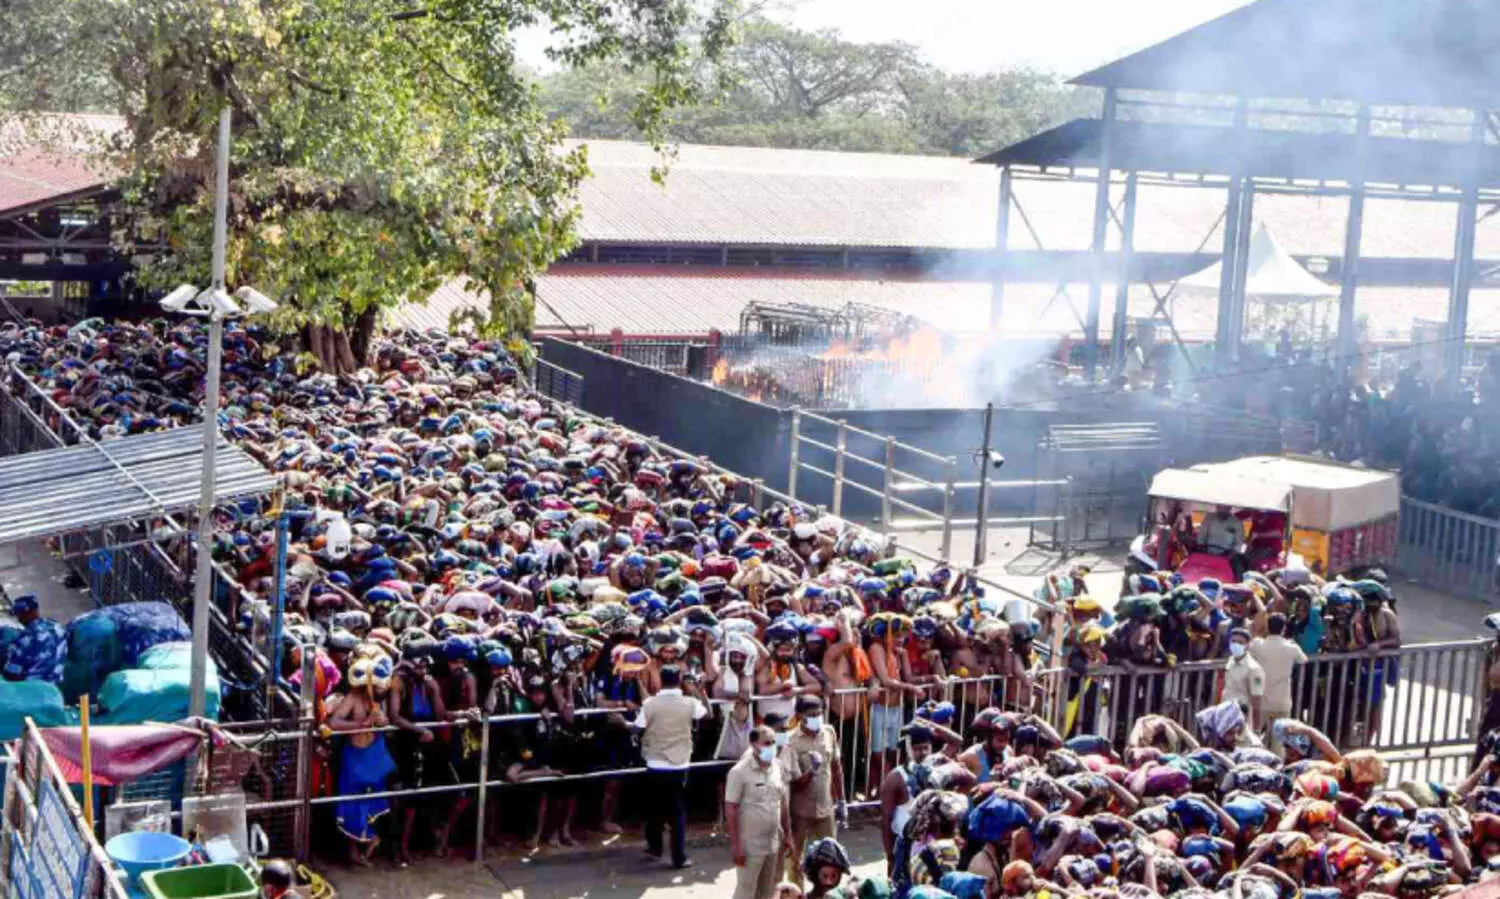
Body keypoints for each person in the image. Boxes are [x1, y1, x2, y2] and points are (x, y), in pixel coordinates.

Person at [636, 664, 706, 869]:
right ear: (679, 679)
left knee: (655, 809)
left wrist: (622, 722)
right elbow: (706, 715)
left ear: (661, 679)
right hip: (680, 763)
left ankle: (655, 848)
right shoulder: (690, 702)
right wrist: (699, 691)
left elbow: (637, 727)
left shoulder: (650, 703)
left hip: (655, 763)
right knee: (677, 812)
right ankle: (678, 857)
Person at [782, 695, 846, 886]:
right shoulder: (791, 741)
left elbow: (836, 767)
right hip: (800, 811)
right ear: (800, 715)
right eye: (812, 714)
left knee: (831, 858)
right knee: (795, 861)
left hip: (825, 808)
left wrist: (842, 801)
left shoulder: (828, 732)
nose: (817, 717)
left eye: (819, 713)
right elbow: (794, 783)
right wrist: (812, 770)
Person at [727, 725, 792, 899]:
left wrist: (788, 835)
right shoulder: (739, 772)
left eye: (773, 742)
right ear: (753, 745)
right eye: (766, 743)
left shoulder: (777, 767)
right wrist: (736, 846)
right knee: (745, 891)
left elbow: (783, 804)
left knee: (767, 891)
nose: (771, 747)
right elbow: (731, 809)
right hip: (750, 846)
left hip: (772, 843)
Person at [1250, 613, 1307, 750]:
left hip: (1261, 700)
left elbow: (1249, 648)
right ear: (1284, 628)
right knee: (1280, 742)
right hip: (1282, 701)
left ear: (1268, 627)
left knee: (1254, 738)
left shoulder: (1258, 644)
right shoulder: (1291, 647)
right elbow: (1303, 659)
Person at [3, 594, 65, 684]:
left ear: (27, 615)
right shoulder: (56, 626)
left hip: (34, 689)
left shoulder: (24, 639)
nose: (18, 619)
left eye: (19, 615)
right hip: (57, 683)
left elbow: (11, 673)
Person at [1222, 627, 1267, 733]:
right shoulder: (1231, 661)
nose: (1236, 644)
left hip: (1242, 720)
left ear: (1247, 645)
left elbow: (1256, 702)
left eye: (1240, 642)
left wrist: (1256, 730)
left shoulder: (1254, 668)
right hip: (1225, 716)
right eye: (1233, 641)